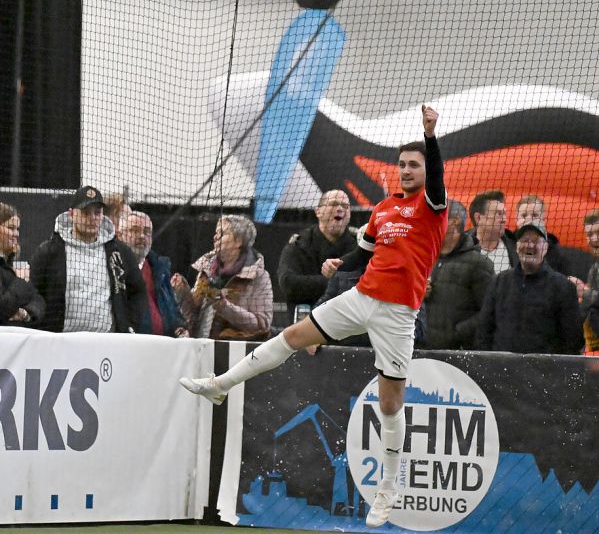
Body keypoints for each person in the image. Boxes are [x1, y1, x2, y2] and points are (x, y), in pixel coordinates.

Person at [180, 106, 446, 528]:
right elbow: (365, 253)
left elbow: (436, 180)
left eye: (415, 164)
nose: (408, 170)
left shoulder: (433, 206)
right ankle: (219, 386)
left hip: (398, 315)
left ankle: (387, 491)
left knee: (391, 404)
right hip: (362, 296)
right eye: (403, 165)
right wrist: (340, 264)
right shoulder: (382, 210)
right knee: (292, 336)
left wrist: (430, 137)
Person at [29, 185, 146, 333]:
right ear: (71, 214)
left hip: (107, 342)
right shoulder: (49, 252)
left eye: (97, 213)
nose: (92, 218)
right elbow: (34, 293)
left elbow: (138, 292)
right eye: (85, 213)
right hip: (61, 341)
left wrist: (129, 324)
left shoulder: (120, 252)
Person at [477, 220, 583, 354]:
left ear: (545, 247)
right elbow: (484, 330)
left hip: (543, 371)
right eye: (524, 240)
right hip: (501, 369)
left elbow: (573, 339)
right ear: (516, 246)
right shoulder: (499, 282)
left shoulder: (563, 287)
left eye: (536, 241)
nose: (529, 245)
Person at [315, 225, 428, 348]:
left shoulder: (409, 280)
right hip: (346, 354)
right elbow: (320, 312)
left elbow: (419, 331)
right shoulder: (342, 276)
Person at [172, 214, 274, 341]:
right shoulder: (206, 270)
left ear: (239, 241)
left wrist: (224, 306)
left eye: (221, 234)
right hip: (201, 348)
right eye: (216, 233)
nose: (215, 237)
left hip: (234, 351)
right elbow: (193, 315)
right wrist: (182, 292)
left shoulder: (259, 277)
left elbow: (262, 324)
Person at [277, 189, 358, 321]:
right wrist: (338, 283)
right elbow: (289, 285)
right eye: (333, 204)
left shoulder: (359, 246)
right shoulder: (299, 246)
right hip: (306, 326)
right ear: (318, 212)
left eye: (345, 206)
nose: (340, 209)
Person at [424, 200, 494, 349]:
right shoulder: (424, 259)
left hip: (459, 356)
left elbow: (489, 311)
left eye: (436, 218)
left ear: (454, 221)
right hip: (422, 352)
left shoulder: (479, 263)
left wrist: (457, 334)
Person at [118, 210, 188, 337]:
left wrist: (180, 327)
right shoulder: (116, 269)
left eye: (146, 232)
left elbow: (172, 308)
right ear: (120, 235)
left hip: (164, 347)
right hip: (131, 345)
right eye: (134, 230)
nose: (141, 236)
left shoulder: (160, 269)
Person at [512, 194, 570, 274]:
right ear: (516, 219)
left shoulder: (555, 252)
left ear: (544, 219)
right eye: (524, 215)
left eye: (535, 215)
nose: (529, 220)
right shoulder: (508, 244)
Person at [468, 189, 516, 274]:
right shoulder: (462, 249)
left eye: (504, 214)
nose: (504, 220)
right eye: (499, 214)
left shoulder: (516, 247)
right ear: (478, 218)